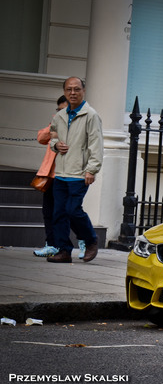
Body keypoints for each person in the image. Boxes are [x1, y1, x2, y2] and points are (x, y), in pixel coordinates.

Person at [46, 77, 103, 263]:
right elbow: (52, 137)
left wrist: (92, 170)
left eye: (76, 89)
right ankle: (63, 251)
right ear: (64, 91)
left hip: (79, 173)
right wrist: (56, 145)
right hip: (61, 172)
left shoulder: (91, 115)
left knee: (72, 210)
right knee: (59, 213)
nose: (73, 92)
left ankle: (91, 240)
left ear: (83, 91)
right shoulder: (60, 115)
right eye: (69, 89)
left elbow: (96, 144)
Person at [33, 96, 87, 258]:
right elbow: (41, 138)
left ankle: (84, 240)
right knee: (48, 211)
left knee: (69, 211)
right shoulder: (55, 125)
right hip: (51, 175)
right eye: (59, 110)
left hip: (70, 175)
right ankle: (52, 244)